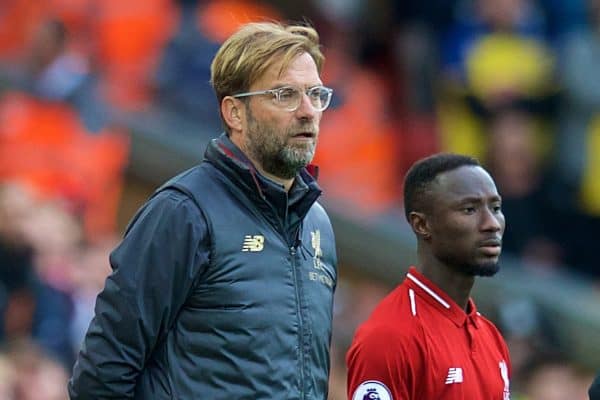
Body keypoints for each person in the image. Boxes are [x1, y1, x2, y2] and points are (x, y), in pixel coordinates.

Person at [69, 21, 338, 399]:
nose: (308, 111)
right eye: (284, 95)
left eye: (315, 94)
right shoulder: (183, 212)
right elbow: (102, 373)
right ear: (235, 112)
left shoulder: (318, 225)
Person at [346, 153, 512, 400]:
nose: (492, 224)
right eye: (469, 209)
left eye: (496, 208)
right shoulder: (389, 338)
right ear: (422, 225)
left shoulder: (491, 337)